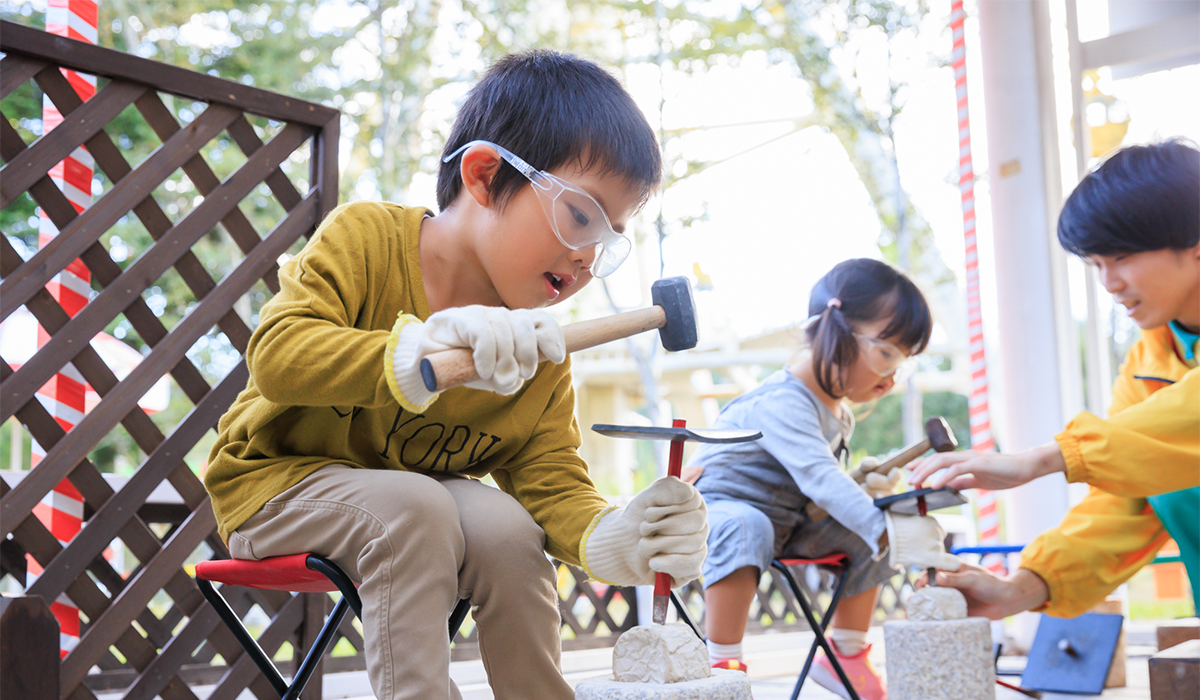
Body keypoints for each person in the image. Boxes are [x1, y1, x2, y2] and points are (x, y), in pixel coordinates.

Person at [203, 50, 709, 700]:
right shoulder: (366, 239)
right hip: (274, 486)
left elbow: (550, 485)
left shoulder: (538, 348)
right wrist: (412, 354)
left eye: (610, 237)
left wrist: (612, 537)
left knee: (507, 528)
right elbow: (278, 355)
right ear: (484, 173)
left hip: (421, 505)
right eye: (581, 215)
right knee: (416, 509)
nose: (587, 256)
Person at [908, 140, 1200, 619]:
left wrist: (1041, 460)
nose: (1109, 284)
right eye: (1096, 264)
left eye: (1122, 256)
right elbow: (1127, 503)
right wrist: (1021, 588)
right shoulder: (1150, 363)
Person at [683, 258, 957, 700]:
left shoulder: (839, 411)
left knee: (882, 529)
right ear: (835, 331)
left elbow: (823, 486)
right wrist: (880, 527)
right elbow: (819, 479)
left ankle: (845, 654)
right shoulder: (783, 401)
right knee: (751, 524)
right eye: (887, 354)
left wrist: (884, 518)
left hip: (788, 522)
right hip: (721, 514)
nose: (890, 378)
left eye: (902, 364)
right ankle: (722, 662)